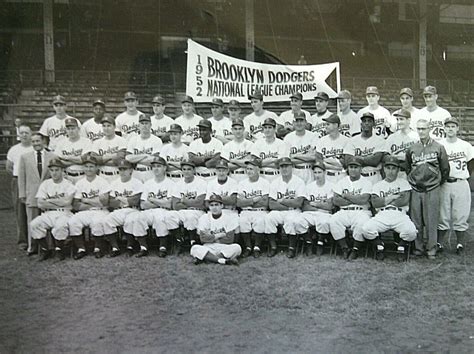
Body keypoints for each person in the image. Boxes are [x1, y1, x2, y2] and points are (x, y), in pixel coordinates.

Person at [406, 119, 450, 259]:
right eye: (419, 129)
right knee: (416, 220)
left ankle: (431, 249)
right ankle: (418, 248)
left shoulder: (438, 147)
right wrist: (414, 179)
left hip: (432, 189)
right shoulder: (412, 148)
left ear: (429, 129)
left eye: (424, 128)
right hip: (416, 188)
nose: (421, 131)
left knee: (431, 220)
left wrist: (436, 182)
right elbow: (408, 167)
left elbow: (445, 169)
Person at [362, 155, 417, 261]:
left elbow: (403, 201)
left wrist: (384, 200)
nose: (390, 171)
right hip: (383, 214)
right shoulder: (378, 185)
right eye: (388, 168)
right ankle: (379, 245)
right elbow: (375, 204)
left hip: (400, 214)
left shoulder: (403, 183)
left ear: (398, 169)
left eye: (393, 168)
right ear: (384, 169)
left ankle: (401, 246)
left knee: (411, 232)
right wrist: (393, 197)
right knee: (366, 229)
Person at [129, 156, 180, 258]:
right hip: (149, 210)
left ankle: (163, 247)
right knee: (138, 218)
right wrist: (161, 202)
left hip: (163, 210)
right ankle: (143, 247)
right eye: (154, 166)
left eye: (159, 166)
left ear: (165, 168)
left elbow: (169, 204)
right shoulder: (148, 183)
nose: (156, 168)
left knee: (160, 218)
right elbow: (143, 204)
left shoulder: (171, 183)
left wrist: (153, 200)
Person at [438, 117, 474, 255]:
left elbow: (471, 162)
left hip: (460, 182)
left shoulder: (465, 145)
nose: (450, 128)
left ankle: (460, 244)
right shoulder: (440, 144)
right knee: (442, 214)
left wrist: (464, 175)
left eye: (453, 126)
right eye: (448, 126)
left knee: (461, 214)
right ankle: (439, 243)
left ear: (457, 128)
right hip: (445, 183)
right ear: (444, 129)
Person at [30, 158, 76, 261]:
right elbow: (40, 203)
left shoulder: (68, 184)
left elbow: (67, 202)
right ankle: (45, 249)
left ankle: (59, 250)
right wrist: (59, 202)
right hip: (48, 213)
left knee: (60, 226)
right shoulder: (45, 184)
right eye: (52, 170)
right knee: (34, 224)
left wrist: (49, 202)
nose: (54, 173)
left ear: (62, 170)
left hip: (64, 213)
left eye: (57, 170)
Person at [18, 132, 55, 255]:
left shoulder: (51, 156)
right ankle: (32, 247)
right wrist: (22, 194)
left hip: (48, 195)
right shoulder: (25, 157)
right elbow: (21, 178)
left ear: (43, 141)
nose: (36, 144)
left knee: (48, 220)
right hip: (31, 194)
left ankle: (49, 246)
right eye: (33, 142)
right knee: (32, 221)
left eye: (38, 141)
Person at [68, 155, 110, 259]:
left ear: (96, 168)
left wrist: (86, 200)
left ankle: (98, 248)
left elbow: (105, 203)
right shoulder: (79, 183)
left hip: (101, 211)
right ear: (83, 168)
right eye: (86, 166)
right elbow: (76, 205)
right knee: (73, 221)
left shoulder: (103, 181)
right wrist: (94, 202)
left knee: (97, 222)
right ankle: (81, 248)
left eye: (91, 166)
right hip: (84, 211)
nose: (88, 169)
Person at [329, 157, 372, 260]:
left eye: (356, 167)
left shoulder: (367, 182)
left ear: (361, 169)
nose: (353, 169)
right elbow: (336, 200)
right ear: (347, 168)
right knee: (333, 221)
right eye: (351, 167)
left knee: (362, 223)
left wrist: (346, 196)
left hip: (361, 211)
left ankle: (355, 249)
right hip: (344, 211)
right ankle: (345, 248)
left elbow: (363, 200)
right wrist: (354, 199)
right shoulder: (341, 182)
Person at [264, 157, 306, 258]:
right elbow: (271, 204)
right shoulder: (275, 182)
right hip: (281, 210)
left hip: (294, 211)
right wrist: (289, 205)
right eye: (282, 166)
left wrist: (282, 201)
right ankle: (273, 247)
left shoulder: (299, 181)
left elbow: (299, 202)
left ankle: (291, 248)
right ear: (279, 168)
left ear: (292, 167)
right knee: (269, 218)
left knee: (291, 220)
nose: (284, 169)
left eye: (286, 166)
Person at [102, 159, 143, 257]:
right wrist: (125, 200)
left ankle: (130, 246)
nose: (122, 172)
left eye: (125, 169)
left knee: (130, 221)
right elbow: (111, 202)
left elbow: (136, 200)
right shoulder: (114, 183)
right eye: (120, 169)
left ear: (131, 170)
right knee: (106, 220)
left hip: (133, 209)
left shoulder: (137, 182)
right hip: (119, 210)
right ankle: (115, 247)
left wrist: (120, 199)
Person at [190, 194, 241, 266]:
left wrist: (210, 237)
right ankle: (222, 260)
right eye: (212, 205)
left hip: (224, 246)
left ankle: (206, 258)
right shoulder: (204, 218)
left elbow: (229, 239)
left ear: (221, 206)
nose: (214, 207)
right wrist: (218, 236)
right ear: (209, 207)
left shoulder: (229, 218)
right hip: (209, 247)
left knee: (237, 247)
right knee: (194, 248)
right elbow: (202, 239)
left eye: (216, 205)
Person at [6, 123, 33, 249]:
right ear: (18, 135)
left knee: (34, 210)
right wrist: (20, 178)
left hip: (33, 181)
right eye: (21, 133)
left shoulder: (35, 148)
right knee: (20, 211)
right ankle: (23, 240)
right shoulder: (14, 149)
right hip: (18, 180)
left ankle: (36, 239)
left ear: (31, 134)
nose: (24, 135)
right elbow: (9, 167)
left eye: (26, 132)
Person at [237, 157, 270, 258]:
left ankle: (257, 247)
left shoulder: (265, 182)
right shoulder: (242, 183)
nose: (249, 171)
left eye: (251, 169)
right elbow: (238, 203)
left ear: (258, 170)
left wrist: (246, 201)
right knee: (242, 221)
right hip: (246, 211)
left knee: (260, 221)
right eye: (247, 169)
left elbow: (265, 202)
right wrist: (254, 200)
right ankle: (248, 247)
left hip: (260, 211)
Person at [171, 161, 207, 252]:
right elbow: (175, 205)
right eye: (184, 169)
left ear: (194, 170)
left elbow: (200, 202)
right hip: (184, 210)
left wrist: (184, 201)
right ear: (181, 171)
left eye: (189, 169)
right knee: (170, 216)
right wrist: (190, 203)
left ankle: (192, 241)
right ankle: (179, 240)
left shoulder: (201, 182)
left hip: (197, 211)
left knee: (190, 217)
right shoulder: (178, 184)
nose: (186, 172)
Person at [344, 112, 388, 185]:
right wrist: (368, 159)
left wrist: (357, 159)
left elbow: (375, 161)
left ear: (374, 124)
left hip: (374, 177)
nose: (366, 123)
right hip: (358, 177)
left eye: (369, 121)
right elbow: (347, 161)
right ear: (361, 124)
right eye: (364, 121)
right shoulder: (352, 140)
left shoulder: (380, 140)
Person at [301, 160, 334, 256]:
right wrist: (320, 206)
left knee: (323, 222)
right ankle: (308, 241)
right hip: (311, 213)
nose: (317, 175)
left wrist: (315, 204)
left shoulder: (330, 186)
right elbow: (304, 206)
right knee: (298, 220)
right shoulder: (309, 186)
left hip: (325, 214)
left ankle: (321, 241)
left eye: (319, 172)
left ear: (325, 173)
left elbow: (330, 206)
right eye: (315, 172)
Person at [125, 114, 163, 182]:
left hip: (150, 172)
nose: (144, 125)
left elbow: (154, 161)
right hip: (136, 173)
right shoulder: (133, 139)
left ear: (150, 125)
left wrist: (135, 159)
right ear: (139, 125)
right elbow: (128, 158)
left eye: (146, 123)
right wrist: (145, 155)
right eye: (142, 123)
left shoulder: (156, 140)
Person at [53, 117, 91, 184]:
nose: (71, 131)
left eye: (73, 128)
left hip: (82, 176)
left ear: (78, 129)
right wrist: (77, 160)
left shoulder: (87, 142)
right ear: (66, 130)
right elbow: (58, 162)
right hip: (66, 176)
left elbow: (84, 160)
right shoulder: (61, 143)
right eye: (68, 129)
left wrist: (67, 158)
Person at [251, 118, 290, 182]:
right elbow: (255, 163)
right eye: (265, 128)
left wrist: (262, 163)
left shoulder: (281, 144)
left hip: (277, 176)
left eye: (270, 127)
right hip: (261, 176)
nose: (267, 130)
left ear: (274, 129)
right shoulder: (258, 143)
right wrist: (273, 160)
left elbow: (281, 164)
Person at [283, 111, 317, 184]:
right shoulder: (288, 138)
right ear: (293, 123)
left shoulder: (313, 136)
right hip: (294, 171)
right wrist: (307, 156)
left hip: (309, 171)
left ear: (305, 122)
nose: (299, 123)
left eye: (301, 120)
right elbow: (287, 160)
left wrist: (295, 156)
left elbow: (314, 158)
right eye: (297, 121)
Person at [315, 114, 349, 184]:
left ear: (336, 125)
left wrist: (326, 161)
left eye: (328, 124)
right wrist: (336, 165)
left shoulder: (346, 141)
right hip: (326, 176)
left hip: (342, 176)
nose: (325, 126)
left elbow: (345, 163)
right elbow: (319, 161)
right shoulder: (321, 141)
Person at [91, 115, 127, 182]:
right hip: (102, 176)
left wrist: (102, 160)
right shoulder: (97, 142)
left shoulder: (122, 141)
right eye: (104, 126)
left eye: (109, 126)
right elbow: (94, 161)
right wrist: (112, 156)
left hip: (117, 175)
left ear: (114, 127)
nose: (106, 128)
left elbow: (119, 160)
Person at [385, 109, 419, 179]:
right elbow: (385, 156)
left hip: (412, 173)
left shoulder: (417, 137)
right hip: (395, 174)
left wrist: (403, 158)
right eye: (397, 119)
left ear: (409, 120)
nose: (399, 122)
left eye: (401, 119)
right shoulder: (391, 137)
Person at [221, 118, 254, 182]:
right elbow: (226, 166)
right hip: (232, 176)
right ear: (232, 130)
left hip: (246, 176)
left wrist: (234, 161)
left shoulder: (250, 144)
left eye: (240, 129)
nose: (238, 131)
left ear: (244, 129)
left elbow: (251, 164)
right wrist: (243, 162)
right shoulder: (227, 146)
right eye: (235, 129)